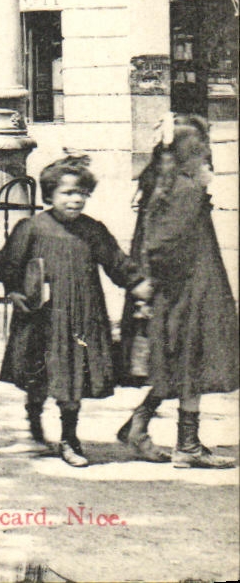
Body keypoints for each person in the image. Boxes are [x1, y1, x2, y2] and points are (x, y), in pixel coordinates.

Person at [0, 155, 153, 467]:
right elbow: (8, 266)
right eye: (68, 192)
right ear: (49, 194)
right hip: (41, 318)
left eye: (82, 192)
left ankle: (70, 439)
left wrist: (141, 286)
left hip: (82, 316)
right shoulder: (32, 228)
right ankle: (36, 426)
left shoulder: (93, 230)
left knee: (73, 380)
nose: (76, 199)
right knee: (38, 377)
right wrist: (14, 291)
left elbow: (117, 264)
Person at [115, 115, 239, 468]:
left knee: (182, 364)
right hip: (189, 292)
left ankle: (141, 426)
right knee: (191, 362)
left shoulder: (167, 185)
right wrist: (166, 287)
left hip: (182, 292)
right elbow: (162, 244)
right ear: (193, 154)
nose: (208, 160)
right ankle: (186, 445)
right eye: (203, 152)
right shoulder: (186, 190)